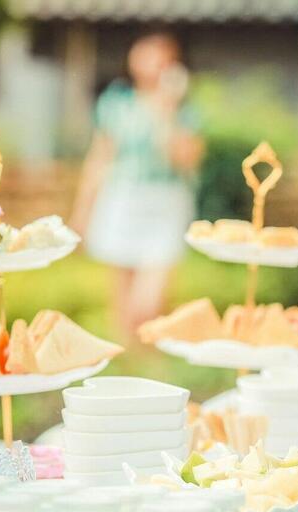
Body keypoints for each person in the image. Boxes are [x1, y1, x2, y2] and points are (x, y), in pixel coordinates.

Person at [71, 32, 204, 336]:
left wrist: (167, 111)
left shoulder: (184, 111)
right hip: (123, 197)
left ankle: (150, 355)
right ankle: (131, 364)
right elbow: (99, 159)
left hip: (165, 200)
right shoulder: (117, 103)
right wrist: (82, 211)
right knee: (122, 298)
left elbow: (185, 160)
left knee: (149, 302)